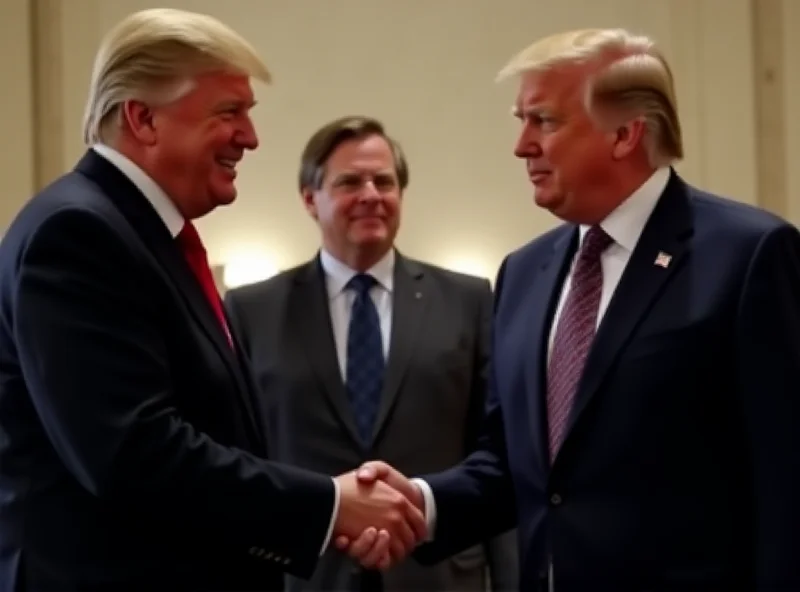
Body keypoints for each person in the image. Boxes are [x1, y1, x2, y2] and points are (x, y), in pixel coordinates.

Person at [342, 28, 800, 591]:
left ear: (625, 134)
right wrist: (423, 502)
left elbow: (788, 481)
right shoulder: (523, 273)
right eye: (521, 120)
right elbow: (515, 465)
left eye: (544, 121)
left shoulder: (747, 254)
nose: (522, 145)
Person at [0, 9, 423, 591]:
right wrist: (328, 505)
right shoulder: (78, 233)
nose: (250, 137)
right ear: (143, 118)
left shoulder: (143, 235)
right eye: (230, 113)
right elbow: (134, 453)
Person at [223, 115, 518, 592]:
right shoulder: (252, 310)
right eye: (349, 182)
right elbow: (243, 452)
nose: (370, 194)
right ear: (309, 199)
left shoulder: (468, 300)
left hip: (436, 576)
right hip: (305, 576)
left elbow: (496, 450)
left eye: (384, 181)